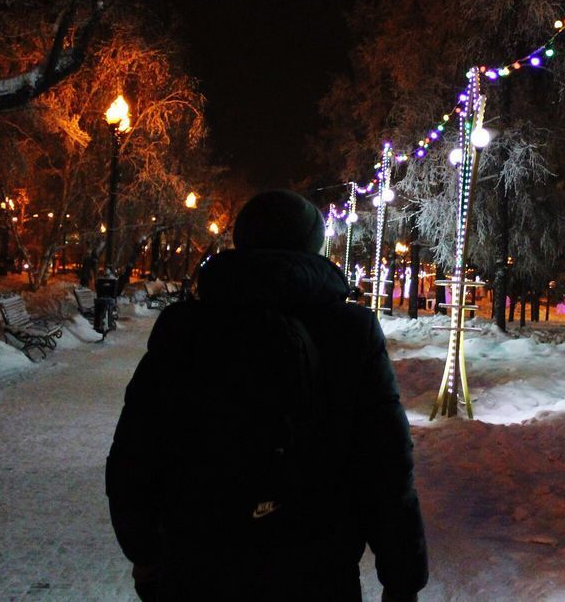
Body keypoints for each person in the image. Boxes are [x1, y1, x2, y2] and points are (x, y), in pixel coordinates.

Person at [106, 189, 428, 601]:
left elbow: (136, 451)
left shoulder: (185, 328)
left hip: (198, 566)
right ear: (314, 244)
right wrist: (403, 577)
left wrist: (146, 555)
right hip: (316, 570)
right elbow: (385, 464)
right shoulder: (351, 331)